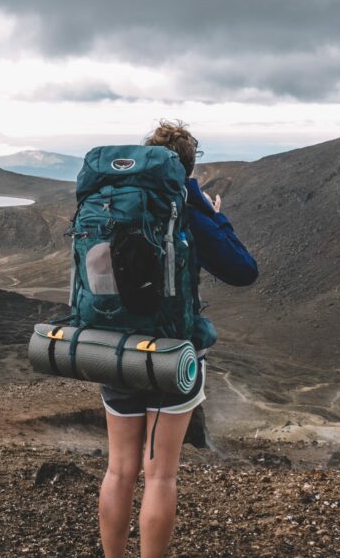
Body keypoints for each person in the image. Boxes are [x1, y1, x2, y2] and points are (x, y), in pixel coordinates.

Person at [98, 119, 258, 558]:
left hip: (116, 352)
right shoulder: (184, 205)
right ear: (188, 167)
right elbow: (243, 270)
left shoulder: (116, 201)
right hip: (172, 356)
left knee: (118, 471)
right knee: (160, 476)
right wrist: (212, 211)